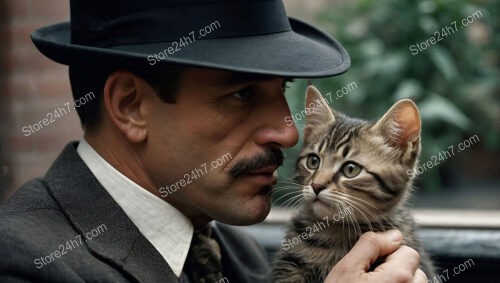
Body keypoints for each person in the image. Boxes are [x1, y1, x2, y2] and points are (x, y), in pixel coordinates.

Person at [0, 0, 427, 282]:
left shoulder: (236, 251)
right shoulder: (24, 263)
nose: (290, 132)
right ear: (131, 107)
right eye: (242, 94)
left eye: (283, 90)